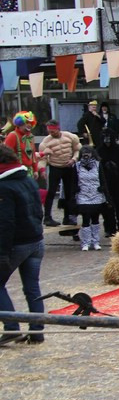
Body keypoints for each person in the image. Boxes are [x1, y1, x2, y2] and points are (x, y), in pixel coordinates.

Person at [0, 144, 45, 345]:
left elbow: (5, 223)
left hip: (17, 244)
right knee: (32, 288)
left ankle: (11, 328)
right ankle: (37, 331)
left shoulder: (4, 186)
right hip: (36, 240)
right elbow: (39, 211)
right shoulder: (27, 180)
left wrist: (2, 253)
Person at [37, 119, 81, 227]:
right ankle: (47, 217)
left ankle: (68, 217)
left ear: (58, 128)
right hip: (55, 167)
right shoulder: (46, 142)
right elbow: (43, 158)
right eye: (49, 132)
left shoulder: (70, 137)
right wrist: (42, 170)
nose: (51, 133)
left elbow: (78, 149)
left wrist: (74, 159)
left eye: (53, 131)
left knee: (69, 192)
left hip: (69, 167)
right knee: (51, 192)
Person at [72, 147, 110, 251]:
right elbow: (74, 181)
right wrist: (74, 192)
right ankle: (85, 242)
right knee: (85, 219)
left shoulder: (98, 165)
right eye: (84, 153)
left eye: (88, 153)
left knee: (95, 219)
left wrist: (106, 194)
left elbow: (103, 179)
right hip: (83, 196)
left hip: (96, 195)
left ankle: (95, 242)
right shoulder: (77, 166)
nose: (86, 155)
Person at [98, 129, 119, 236]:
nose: (107, 141)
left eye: (109, 138)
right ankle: (109, 228)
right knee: (107, 207)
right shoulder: (99, 150)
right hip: (106, 185)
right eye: (105, 138)